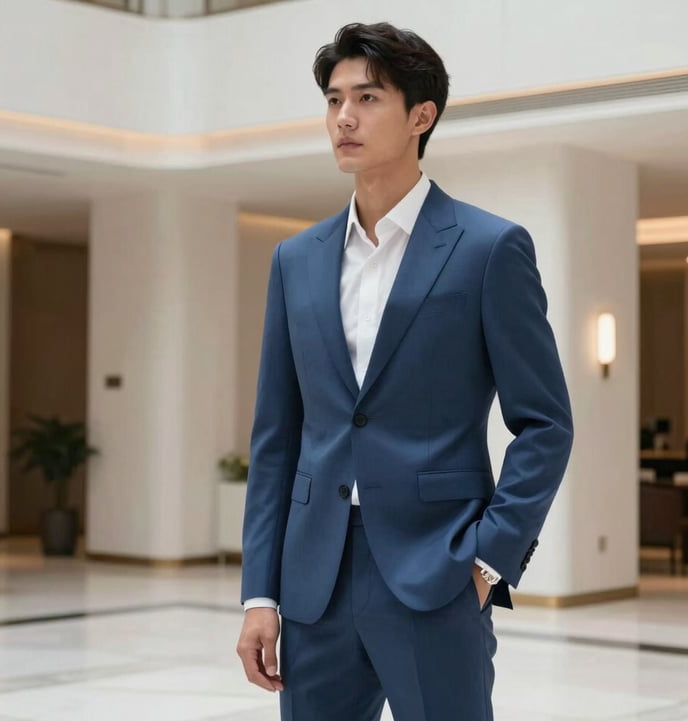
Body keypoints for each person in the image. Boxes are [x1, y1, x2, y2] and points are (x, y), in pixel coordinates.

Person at [236, 21, 573, 721]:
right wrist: (260, 593)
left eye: (367, 97)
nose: (344, 118)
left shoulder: (489, 249)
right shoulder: (296, 261)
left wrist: (487, 560)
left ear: (422, 115)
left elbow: (545, 424)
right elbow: (278, 437)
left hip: (438, 572)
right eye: (333, 100)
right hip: (313, 582)